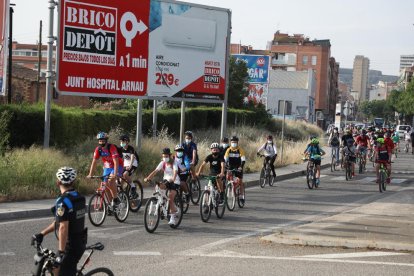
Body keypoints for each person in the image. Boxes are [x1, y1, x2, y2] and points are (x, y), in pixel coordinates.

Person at [32, 167, 87, 276]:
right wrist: (42, 233)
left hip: (70, 247)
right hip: (80, 241)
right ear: (73, 182)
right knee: (54, 269)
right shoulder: (80, 198)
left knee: (60, 269)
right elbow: (61, 221)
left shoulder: (62, 202)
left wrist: (61, 253)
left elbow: (63, 227)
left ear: (58, 182)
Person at [144, 148, 180, 225]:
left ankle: (173, 218)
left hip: (175, 181)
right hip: (166, 180)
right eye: (163, 156)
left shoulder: (174, 162)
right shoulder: (162, 163)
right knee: (158, 186)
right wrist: (148, 178)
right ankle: (161, 202)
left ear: (170, 156)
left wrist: (173, 179)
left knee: (170, 198)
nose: (165, 158)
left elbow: (175, 171)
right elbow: (155, 171)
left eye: (166, 156)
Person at [87, 132, 123, 206]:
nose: (101, 142)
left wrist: (115, 174)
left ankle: (116, 199)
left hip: (117, 165)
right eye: (100, 141)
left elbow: (116, 162)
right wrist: (90, 174)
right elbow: (94, 162)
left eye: (103, 141)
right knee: (105, 186)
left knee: (111, 181)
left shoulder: (111, 147)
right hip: (107, 167)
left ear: (106, 140)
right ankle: (110, 205)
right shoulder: (98, 149)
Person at [224, 136, 246, 204]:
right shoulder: (228, 150)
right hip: (230, 166)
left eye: (235, 142)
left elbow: (243, 160)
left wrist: (241, 167)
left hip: (238, 167)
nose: (234, 143)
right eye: (232, 142)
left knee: (240, 181)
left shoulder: (240, 150)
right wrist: (224, 165)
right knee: (227, 177)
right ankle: (230, 187)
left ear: (237, 143)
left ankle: (241, 196)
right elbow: (225, 159)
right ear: (230, 142)